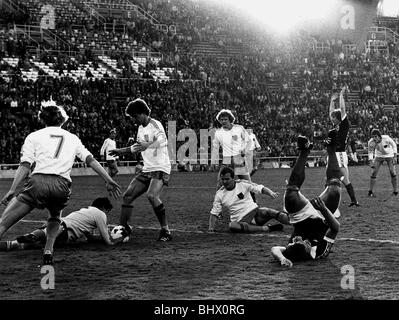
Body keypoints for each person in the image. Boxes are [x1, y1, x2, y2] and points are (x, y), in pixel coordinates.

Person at [0, 100, 121, 265]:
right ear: (62, 118)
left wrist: (12, 189)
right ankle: (48, 250)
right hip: (62, 185)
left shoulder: (33, 136)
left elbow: (25, 164)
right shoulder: (72, 138)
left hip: (38, 182)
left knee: (4, 222)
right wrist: (108, 179)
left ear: (43, 118)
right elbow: (90, 160)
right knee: (55, 216)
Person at [271, 135, 341, 267]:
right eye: (303, 243)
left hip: (300, 218)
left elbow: (275, 249)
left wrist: (282, 259)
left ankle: (304, 151)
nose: (298, 239)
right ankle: (331, 149)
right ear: (307, 251)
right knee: (334, 191)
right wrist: (324, 209)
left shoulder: (292, 250)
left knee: (290, 196)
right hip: (322, 217)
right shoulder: (320, 251)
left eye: (295, 241)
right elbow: (336, 228)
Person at [109, 98, 172, 242]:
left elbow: (163, 141)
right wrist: (122, 151)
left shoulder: (155, 124)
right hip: (147, 168)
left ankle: (166, 230)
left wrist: (147, 145)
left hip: (160, 167)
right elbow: (137, 147)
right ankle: (124, 228)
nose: (133, 119)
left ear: (143, 113)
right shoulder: (140, 128)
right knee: (128, 196)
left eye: (135, 116)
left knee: (151, 195)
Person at [0, 197, 128, 251]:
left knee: (45, 234)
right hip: (65, 234)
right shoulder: (100, 214)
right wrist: (120, 237)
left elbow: (90, 238)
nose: (107, 214)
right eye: (107, 210)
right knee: (39, 245)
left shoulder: (84, 212)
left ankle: (17, 241)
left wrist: (101, 237)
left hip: (58, 224)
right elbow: (108, 242)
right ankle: (22, 242)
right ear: (103, 208)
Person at [208, 166, 288, 233]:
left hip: (255, 213)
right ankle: (268, 228)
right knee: (232, 225)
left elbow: (259, 188)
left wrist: (271, 193)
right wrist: (211, 228)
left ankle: (295, 222)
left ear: (233, 178)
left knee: (267, 211)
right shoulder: (219, 194)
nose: (224, 182)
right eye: (223, 179)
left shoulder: (243, 183)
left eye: (227, 179)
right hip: (240, 221)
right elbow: (214, 212)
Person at [329, 87, 359, 207]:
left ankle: (354, 201)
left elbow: (342, 108)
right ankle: (331, 200)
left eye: (333, 117)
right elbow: (331, 112)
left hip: (340, 154)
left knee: (345, 179)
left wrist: (341, 95)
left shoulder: (344, 124)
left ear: (339, 118)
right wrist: (331, 101)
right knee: (330, 178)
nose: (331, 119)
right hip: (333, 154)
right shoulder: (336, 124)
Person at [367, 129, 398, 197]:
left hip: (390, 155)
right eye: (373, 137)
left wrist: (395, 156)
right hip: (379, 156)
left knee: (392, 172)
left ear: (379, 136)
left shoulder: (386, 138)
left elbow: (394, 145)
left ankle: (395, 191)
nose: (374, 138)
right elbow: (370, 151)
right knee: (373, 172)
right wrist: (370, 161)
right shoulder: (371, 142)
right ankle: (370, 191)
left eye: (375, 136)